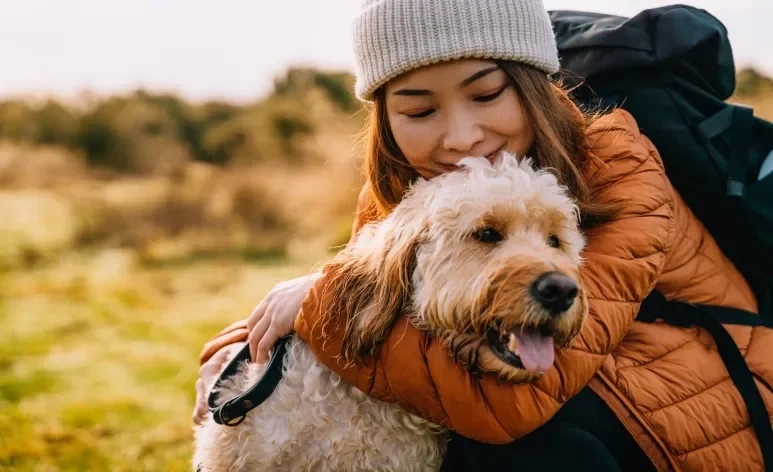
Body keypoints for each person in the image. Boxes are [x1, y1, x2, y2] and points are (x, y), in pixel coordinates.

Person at [193, 0, 772, 470]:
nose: (462, 136)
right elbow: (372, 300)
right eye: (419, 111)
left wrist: (320, 302)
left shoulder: (618, 164)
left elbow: (515, 398)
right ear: (387, 122)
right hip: (596, 404)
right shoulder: (410, 188)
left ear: (533, 85)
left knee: (516, 447)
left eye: (486, 93)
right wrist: (241, 359)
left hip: (708, 405)